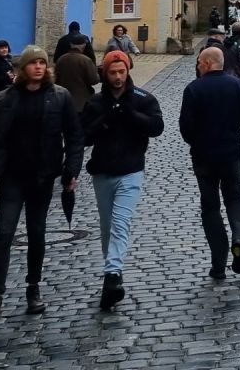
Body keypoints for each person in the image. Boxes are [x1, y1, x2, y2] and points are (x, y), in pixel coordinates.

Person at [0, 46, 84, 323]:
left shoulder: (59, 97)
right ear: (23, 68)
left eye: (42, 62)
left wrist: (71, 170)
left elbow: (74, 137)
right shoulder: (4, 99)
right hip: (12, 177)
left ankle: (33, 288)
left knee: (37, 234)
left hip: (42, 176)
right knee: (4, 234)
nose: (38, 67)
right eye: (33, 63)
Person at [81, 50, 165, 310]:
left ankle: (113, 274)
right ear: (105, 74)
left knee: (120, 223)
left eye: (122, 72)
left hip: (131, 170)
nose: (118, 77)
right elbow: (82, 136)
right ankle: (111, 277)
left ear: (128, 71)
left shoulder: (143, 98)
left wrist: (131, 115)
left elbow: (157, 127)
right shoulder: (95, 102)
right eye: (113, 72)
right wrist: (104, 122)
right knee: (107, 227)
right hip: (103, 170)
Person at [178, 47, 240, 279]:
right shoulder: (238, 87)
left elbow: (185, 126)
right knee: (235, 196)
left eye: (198, 63)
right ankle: (239, 236)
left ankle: (218, 262)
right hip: (231, 154)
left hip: (204, 157)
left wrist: (196, 142)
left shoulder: (194, 89)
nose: (197, 66)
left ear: (207, 63)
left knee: (210, 208)